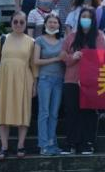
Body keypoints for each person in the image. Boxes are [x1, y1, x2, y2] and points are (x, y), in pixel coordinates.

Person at [0, 11, 38, 160]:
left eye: (22, 22)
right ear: (11, 23)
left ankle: (21, 145)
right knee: (3, 112)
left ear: (26, 24)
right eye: (15, 21)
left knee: (23, 111)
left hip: (24, 79)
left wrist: (35, 84)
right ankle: (4, 146)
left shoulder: (31, 41)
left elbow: (34, 64)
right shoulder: (3, 39)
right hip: (3, 78)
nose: (18, 24)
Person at [60, 8, 105, 155]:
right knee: (71, 111)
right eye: (83, 16)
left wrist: (87, 58)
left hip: (90, 80)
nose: (85, 19)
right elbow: (63, 55)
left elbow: (101, 58)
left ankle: (88, 143)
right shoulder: (71, 36)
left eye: (89, 17)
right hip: (71, 79)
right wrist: (72, 57)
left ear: (93, 20)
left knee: (89, 111)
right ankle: (71, 143)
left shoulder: (99, 36)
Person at [33, 13, 65, 156]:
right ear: (45, 24)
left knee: (54, 114)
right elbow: (36, 61)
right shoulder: (39, 40)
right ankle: (43, 145)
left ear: (59, 25)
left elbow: (65, 59)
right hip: (45, 79)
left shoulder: (63, 41)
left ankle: (52, 143)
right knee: (44, 112)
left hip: (59, 80)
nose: (52, 25)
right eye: (50, 22)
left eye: (55, 22)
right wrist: (56, 59)